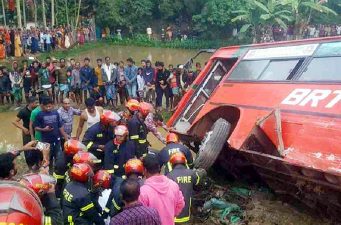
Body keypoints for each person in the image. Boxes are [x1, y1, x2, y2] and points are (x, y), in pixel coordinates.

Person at [139, 154, 185, 225]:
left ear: (144, 170)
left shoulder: (143, 191)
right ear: (159, 168)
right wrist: (169, 215)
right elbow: (181, 204)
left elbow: (141, 216)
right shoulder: (173, 185)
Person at [167, 152, 204, 224]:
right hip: (189, 214)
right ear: (184, 161)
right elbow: (198, 187)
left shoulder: (169, 176)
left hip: (173, 216)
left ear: (172, 163)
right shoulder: (193, 173)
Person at [34, 97, 68, 171]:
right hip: (46, 142)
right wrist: (44, 129)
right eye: (47, 106)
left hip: (57, 140)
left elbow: (60, 126)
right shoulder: (40, 115)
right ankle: (49, 173)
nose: (49, 108)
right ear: (43, 106)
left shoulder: (56, 113)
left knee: (58, 158)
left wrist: (66, 138)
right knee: (47, 159)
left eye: (50, 106)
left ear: (52, 105)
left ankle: (57, 172)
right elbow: (36, 128)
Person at [12, 96, 39, 168]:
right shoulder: (23, 111)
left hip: (37, 132)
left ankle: (37, 163)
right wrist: (23, 128)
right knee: (27, 149)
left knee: (37, 148)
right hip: (27, 133)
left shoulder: (37, 110)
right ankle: (30, 166)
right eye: (36, 103)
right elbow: (14, 121)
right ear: (30, 103)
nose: (37, 104)